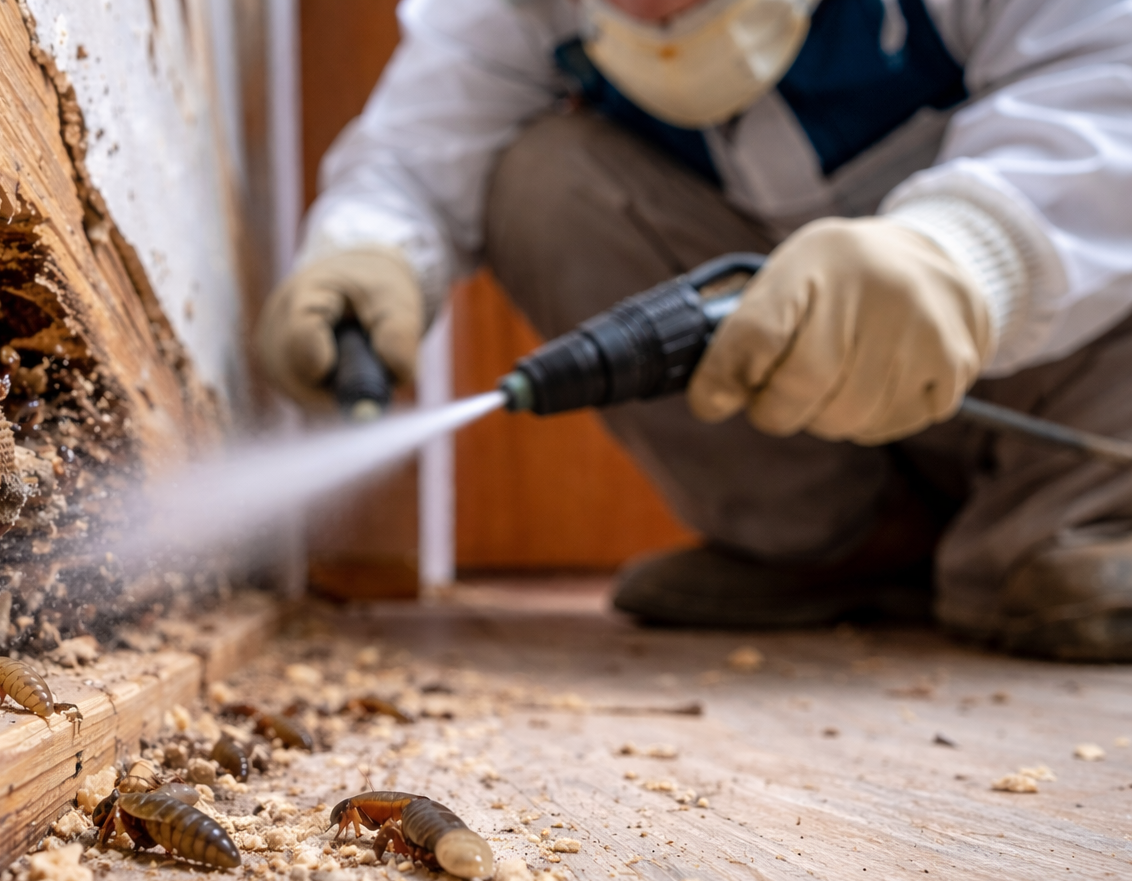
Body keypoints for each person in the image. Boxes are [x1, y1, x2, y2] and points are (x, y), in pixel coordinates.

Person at [255, 0, 1132, 661]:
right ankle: (837, 550)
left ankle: (1081, 518)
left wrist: (974, 251)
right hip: (814, 400)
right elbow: (418, 149)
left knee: (1043, 586)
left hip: (1076, 369)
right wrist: (366, 249)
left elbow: (1109, 82)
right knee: (547, 181)